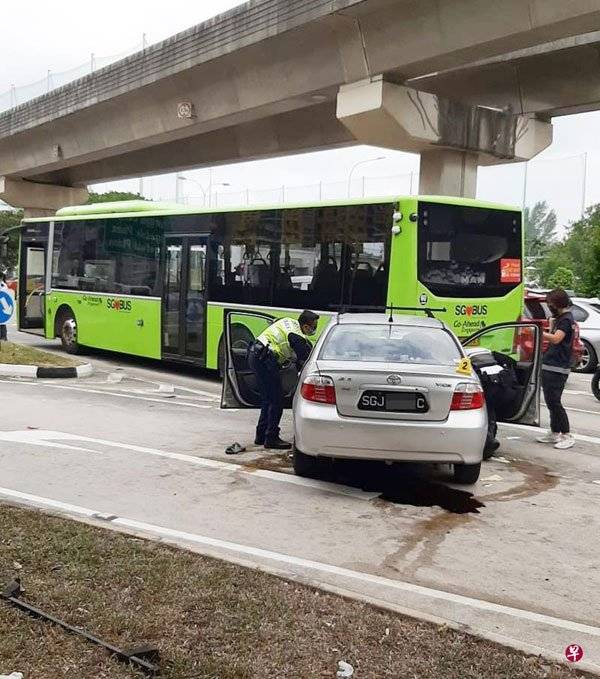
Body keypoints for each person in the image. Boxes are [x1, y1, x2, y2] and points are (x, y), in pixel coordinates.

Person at [248, 310, 319, 450]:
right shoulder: (296, 336)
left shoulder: (289, 322)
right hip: (265, 359)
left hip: (255, 354)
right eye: (313, 327)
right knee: (276, 400)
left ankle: (261, 435)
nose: (314, 330)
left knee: (268, 399)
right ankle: (271, 438)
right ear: (305, 326)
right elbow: (304, 358)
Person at [537, 288, 575, 450]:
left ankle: (566, 434)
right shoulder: (560, 318)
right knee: (551, 401)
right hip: (551, 364)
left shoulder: (566, 319)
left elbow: (557, 339)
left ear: (558, 303)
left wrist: (539, 331)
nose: (549, 306)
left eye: (551, 304)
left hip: (558, 367)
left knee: (555, 401)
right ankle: (554, 432)